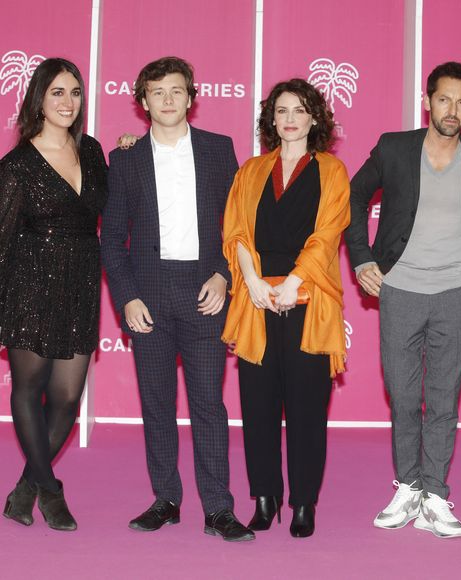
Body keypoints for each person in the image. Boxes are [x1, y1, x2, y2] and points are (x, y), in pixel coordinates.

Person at [101, 56, 253, 541]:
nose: (167, 100)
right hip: (147, 295)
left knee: (209, 404)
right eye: (157, 92)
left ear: (191, 97)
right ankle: (166, 498)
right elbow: (111, 239)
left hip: (204, 291)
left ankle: (218, 509)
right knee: (156, 403)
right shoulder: (123, 159)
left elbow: (237, 227)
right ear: (143, 102)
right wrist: (125, 298)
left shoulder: (218, 150)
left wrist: (224, 276)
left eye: (176, 91)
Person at [345, 62, 461, 538]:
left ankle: (435, 493)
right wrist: (362, 257)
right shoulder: (394, 147)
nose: (452, 110)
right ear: (427, 101)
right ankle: (407, 486)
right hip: (401, 289)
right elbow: (353, 194)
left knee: (444, 398)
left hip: (456, 291)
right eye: (444, 99)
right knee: (405, 395)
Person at [222, 78, 349, 538]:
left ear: (314, 117)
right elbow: (234, 231)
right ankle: (264, 496)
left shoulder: (331, 170)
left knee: (306, 408)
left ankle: (302, 503)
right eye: (281, 111)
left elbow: (327, 234)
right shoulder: (252, 170)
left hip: (307, 299)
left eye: (299, 110)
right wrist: (254, 282)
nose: (290, 118)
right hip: (257, 300)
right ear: (271, 119)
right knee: (256, 405)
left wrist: (293, 283)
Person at [0, 58, 108, 531]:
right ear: (39, 99)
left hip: (82, 280)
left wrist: (128, 146)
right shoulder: (17, 164)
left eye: (76, 92)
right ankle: (52, 490)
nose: (68, 102)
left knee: (66, 396)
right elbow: (1, 239)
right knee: (30, 387)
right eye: (58, 92)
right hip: (30, 282)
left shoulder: (95, 151)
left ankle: (26, 488)